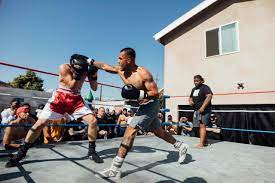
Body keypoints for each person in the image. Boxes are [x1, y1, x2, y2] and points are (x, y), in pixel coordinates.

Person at [92, 47, 188, 178]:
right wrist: (89, 61)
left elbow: (155, 93)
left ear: (129, 59)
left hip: (151, 105)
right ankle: (181, 146)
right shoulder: (121, 70)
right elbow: (104, 66)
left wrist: (139, 93)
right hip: (142, 107)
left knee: (129, 133)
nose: (118, 61)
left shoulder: (143, 73)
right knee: (159, 132)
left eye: (120, 58)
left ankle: (115, 169)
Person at [6, 54, 103, 167]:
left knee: (93, 121)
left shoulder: (87, 69)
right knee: (40, 124)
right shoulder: (64, 67)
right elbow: (72, 86)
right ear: (73, 64)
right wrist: (78, 72)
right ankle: (21, 153)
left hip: (75, 100)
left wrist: (94, 74)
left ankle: (92, 151)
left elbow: (95, 88)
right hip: (60, 98)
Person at [189, 75, 213, 148]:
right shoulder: (194, 89)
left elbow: (209, 96)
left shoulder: (205, 87)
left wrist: (203, 107)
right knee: (198, 126)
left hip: (204, 110)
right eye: (194, 81)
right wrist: (190, 101)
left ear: (201, 81)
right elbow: (190, 97)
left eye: (197, 81)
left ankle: (201, 144)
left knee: (202, 125)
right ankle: (205, 141)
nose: (196, 82)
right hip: (196, 110)